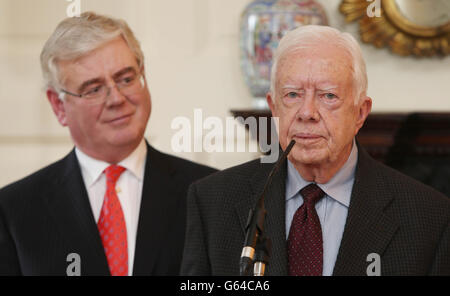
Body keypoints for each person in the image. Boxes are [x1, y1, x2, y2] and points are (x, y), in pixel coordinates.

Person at [180, 25, 450, 276]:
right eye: (293, 95)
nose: (307, 113)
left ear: (360, 112)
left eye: (328, 96)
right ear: (274, 108)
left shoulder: (429, 217)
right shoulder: (212, 201)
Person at [0, 12, 216, 276]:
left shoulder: (210, 194)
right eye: (94, 89)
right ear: (59, 106)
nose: (116, 98)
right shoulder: (13, 211)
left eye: (126, 79)